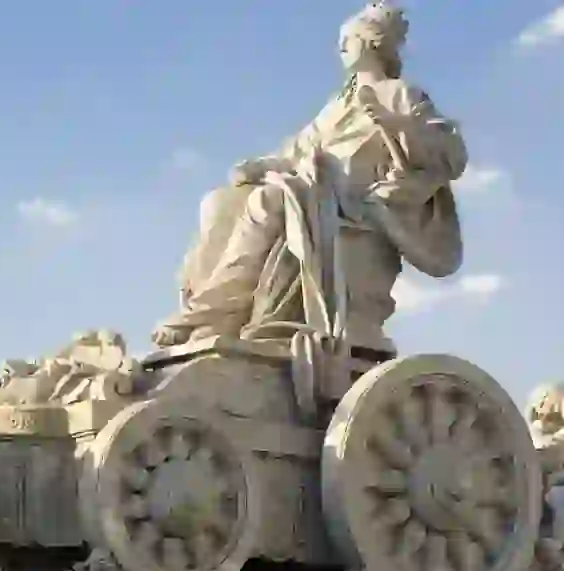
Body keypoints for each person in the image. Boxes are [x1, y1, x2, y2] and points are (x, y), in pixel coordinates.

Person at [152, 2, 467, 351]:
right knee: (219, 201)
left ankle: (211, 314)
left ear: (373, 42)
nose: (341, 47)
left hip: (354, 206)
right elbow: (297, 152)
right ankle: (219, 314)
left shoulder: (401, 94)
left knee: (269, 201)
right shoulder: (335, 106)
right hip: (315, 190)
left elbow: (450, 156)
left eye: (349, 38)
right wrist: (260, 166)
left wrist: (398, 127)